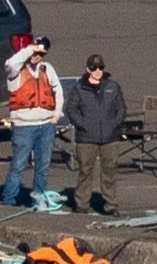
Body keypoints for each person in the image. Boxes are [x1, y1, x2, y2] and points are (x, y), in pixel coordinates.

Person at [3, 37, 63, 207]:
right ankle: (8, 199)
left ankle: (40, 197)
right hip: (24, 127)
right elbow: (9, 63)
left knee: (43, 165)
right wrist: (29, 49)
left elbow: (57, 91)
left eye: (40, 53)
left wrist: (56, 115)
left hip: (46, 125)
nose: (36, 56)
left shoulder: (47, 69)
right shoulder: (16, 69)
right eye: (34, 52)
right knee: (19, 165)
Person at [64, 54, 127, 216]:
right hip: (86, 138)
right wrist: (83, 124)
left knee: (110, 171)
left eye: (100, 68)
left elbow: (121, 109)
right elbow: (71, 109)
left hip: (110, 138)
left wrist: (114, 125)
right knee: (85, 171)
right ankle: (82, 204)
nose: (97, 71)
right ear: (88, 69)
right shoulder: (79, 88)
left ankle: (111, 204)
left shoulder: (113, 86)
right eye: (94, 68)